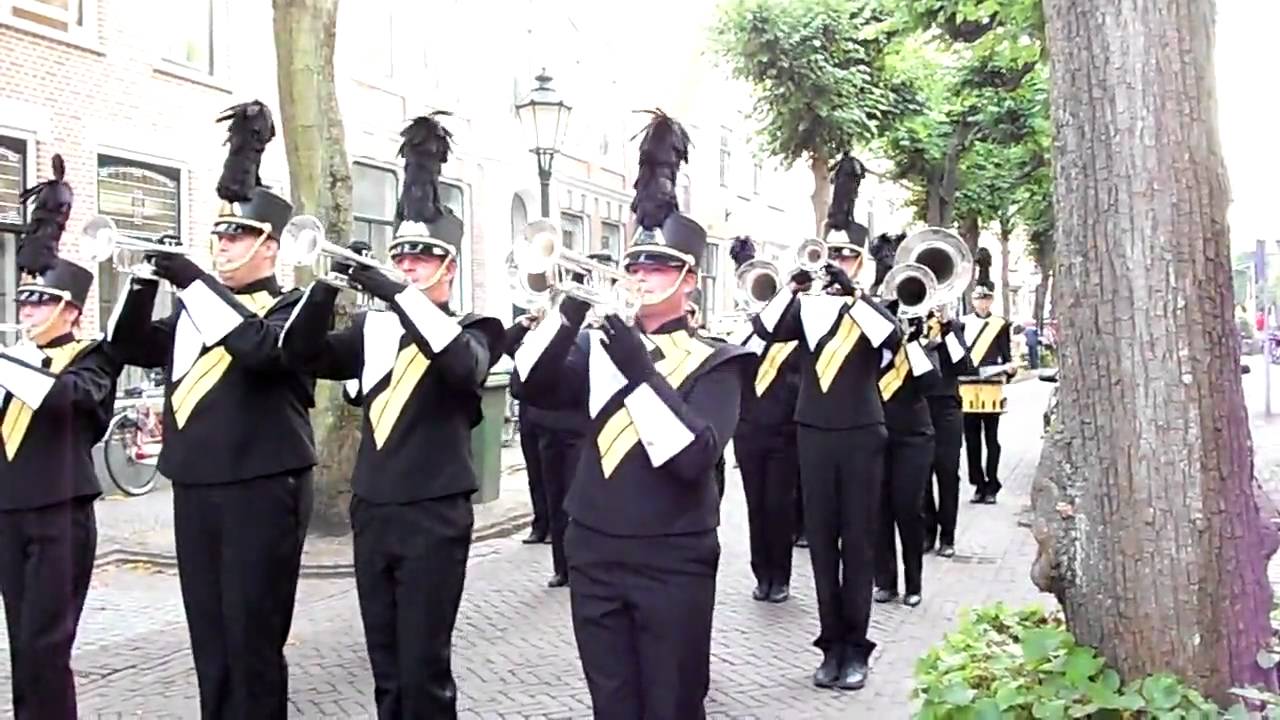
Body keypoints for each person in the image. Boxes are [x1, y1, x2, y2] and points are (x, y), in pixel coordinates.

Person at [514, 110, 751, 718]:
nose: (643, 277)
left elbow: (695, 455)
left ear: (689, 279)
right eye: (636, 266)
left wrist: (640, 369)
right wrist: (567, 311)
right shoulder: (596, 344)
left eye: (659, 268)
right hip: (593, 546)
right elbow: (530, 386)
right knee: (611, 703)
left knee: (671, 703)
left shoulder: (720, 360)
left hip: (672, 556)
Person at [281, 114, 503, 718]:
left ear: (448, 269)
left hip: (436, 512)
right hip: (374, 508)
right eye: (400, 259)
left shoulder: (475, 329)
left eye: (420, 261)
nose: (406, 268)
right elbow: (298, 355)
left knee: (425, 666)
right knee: (385, 664)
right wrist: (326, 287)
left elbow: (463, 368)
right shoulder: (372, 329)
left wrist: (398, 295)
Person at [107, 101, 314, 719]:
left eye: (238, 235)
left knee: (253, 641)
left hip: (263, 485)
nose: (223, 245)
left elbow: (259, 352)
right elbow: (126, 346)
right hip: (196, 484)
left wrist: (196, 280)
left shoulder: (292, 307)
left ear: (271, 246)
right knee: (211, 641)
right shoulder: (197, 309)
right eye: (219, 234)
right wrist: (146, 278)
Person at [751, 154, 900, 691]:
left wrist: (853, 293)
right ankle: (828, 644)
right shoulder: (808, 309)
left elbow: (890, 340)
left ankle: (856, 649)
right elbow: (766, 330)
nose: (836, 260)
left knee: (856, 544)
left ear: (862, 263)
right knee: (820, 541)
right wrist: (794, 288)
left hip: (861, 434)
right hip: (811, 434)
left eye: (847, 256)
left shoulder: (872, 306)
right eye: (832, 253)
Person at [0, 160, 122, 719]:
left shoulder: (90, 356)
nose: (29, 313)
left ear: (71, 310)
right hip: (9, 511)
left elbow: (72, 402)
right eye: (24, 302)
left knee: (49, 647)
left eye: (41, 303)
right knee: (22, 645)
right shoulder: (15, 362)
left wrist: (13, 364)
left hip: (60, 513)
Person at [727, 235, 802, 603]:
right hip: (749, 432)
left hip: (786, 433)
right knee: (756, 506)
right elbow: (750, 340)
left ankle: (782, 577)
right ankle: (762, 575)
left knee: (780, 506)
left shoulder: (795, 339)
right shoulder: (744, 332)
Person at [920, 307, 972, 558]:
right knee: (922, 473)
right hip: (919, 406)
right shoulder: (913, 323)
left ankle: (948, 536)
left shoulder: (955, 326)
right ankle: (927, 533)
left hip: (948, 407)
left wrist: (948, 328)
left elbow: (963, 364)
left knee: (947, 471)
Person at [958, 284, 1015, 504]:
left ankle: (992, 484)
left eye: (986, 299)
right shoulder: (962, 323)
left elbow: (1006, 353)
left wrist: (1009, 371)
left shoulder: (999, 324)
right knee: (971, 440)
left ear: (991, 301)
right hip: (968, 385)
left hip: (991, 385)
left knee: (992, 438)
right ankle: (978, 484)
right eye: (979, 299)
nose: (982, 303)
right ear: (973, 301)